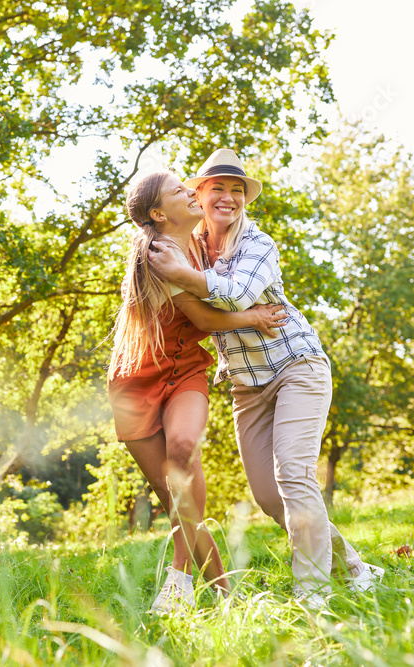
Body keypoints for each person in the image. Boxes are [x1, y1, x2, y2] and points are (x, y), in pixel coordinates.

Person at [148, 149, 384, 609]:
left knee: (294, 475)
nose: (228, 197)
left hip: (297, 366)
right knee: (272, 499)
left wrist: (183, 276)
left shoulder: (258, 244)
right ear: (199, 195)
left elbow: (237, 294)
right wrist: (176, 268)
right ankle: (356, 570)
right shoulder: (190, 247)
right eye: (218, 188)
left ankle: (312, 595)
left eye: (237, 190)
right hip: (246, 385)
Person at [108, 170, 288, 614]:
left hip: (185, 367)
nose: (191, 192)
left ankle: (179, 579)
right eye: (178, 191)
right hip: (134, 381)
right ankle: (225, 597)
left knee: (184, 448)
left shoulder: (203, 245)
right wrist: (253, 317)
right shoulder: (159, 253)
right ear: (158, 214)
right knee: (177, 499)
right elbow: (205, 319)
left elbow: (227, 285)